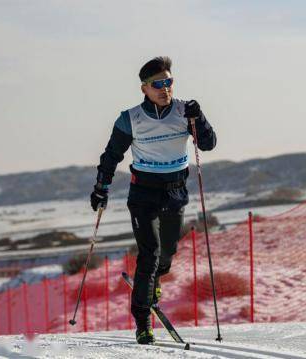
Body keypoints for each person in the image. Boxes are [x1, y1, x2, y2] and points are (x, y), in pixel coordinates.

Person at [90, 56, 217, 344]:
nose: (165, 89)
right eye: (158, 84)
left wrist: (200, 118)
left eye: (169, 82)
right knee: (149, 256)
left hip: (175, 192)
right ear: (144, 89)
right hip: (143, 194)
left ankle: (155, 282)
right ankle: (143, 323)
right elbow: (111, 156)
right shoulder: (130, 119)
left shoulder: (186, 111)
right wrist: (101, 187)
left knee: (167, 254)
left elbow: (208, 144)